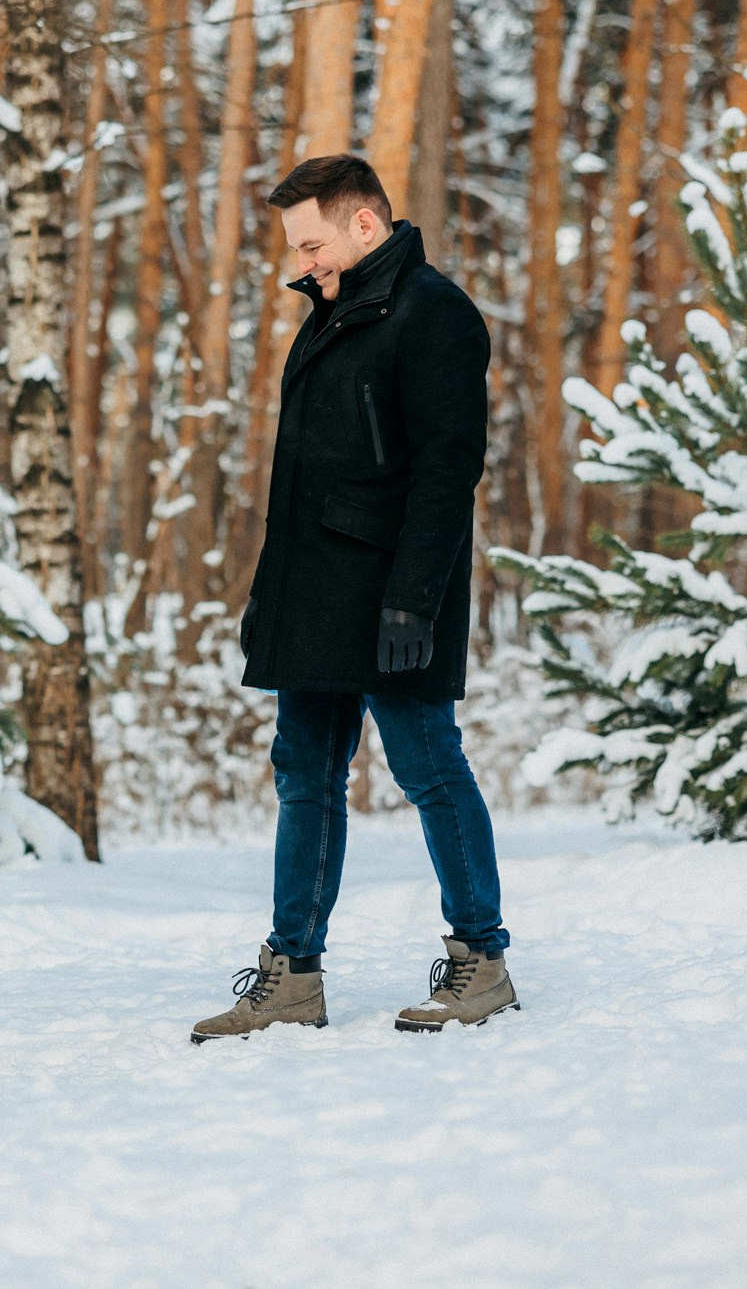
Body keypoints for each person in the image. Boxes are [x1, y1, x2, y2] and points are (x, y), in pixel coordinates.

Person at [192, 155, 519, 1042]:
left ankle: (481, 959)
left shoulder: (434, 312)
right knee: (305, 772)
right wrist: (271, 591)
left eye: (312, 241)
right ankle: (292, 971)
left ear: (364, 224)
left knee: (427, 766)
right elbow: (298, 478)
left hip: (393, 593)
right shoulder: (330, 315)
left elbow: (450, 468)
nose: (301, 261)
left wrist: (415, 598)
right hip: (315, 592)